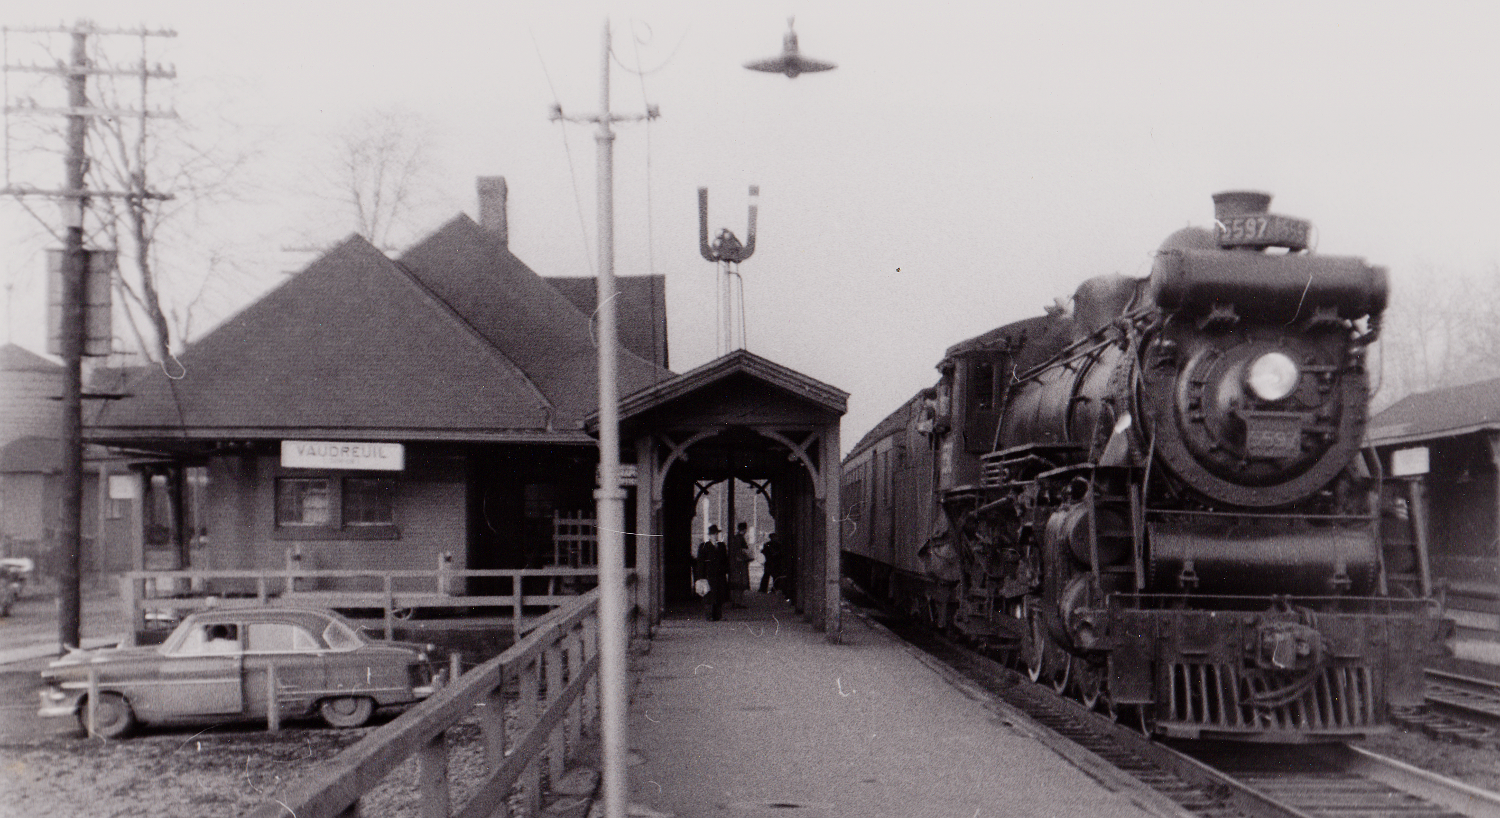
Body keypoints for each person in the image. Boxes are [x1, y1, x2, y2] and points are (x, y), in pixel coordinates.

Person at [694, 525, 729, 621]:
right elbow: (700, 562)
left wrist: (726, 570)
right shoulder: (704, 546)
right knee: (709, 595)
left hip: (720, 574)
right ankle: (709, 616)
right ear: (709, 535)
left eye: (716, 534)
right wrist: (700, 576)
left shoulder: (722, 546)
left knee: (719, 595)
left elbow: (725, 560)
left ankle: (718, 615)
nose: (715, 536)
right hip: (708, 574)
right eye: (713, 534)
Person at [728, 522, 751, 607]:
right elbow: (740, 552)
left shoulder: (736, 538)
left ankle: (736, 602)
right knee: (739, 584)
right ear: (744, 529)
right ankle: (737, 602)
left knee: (736, 584)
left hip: (735, 564)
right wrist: (747, 558)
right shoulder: (739, 539)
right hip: (739, 565)